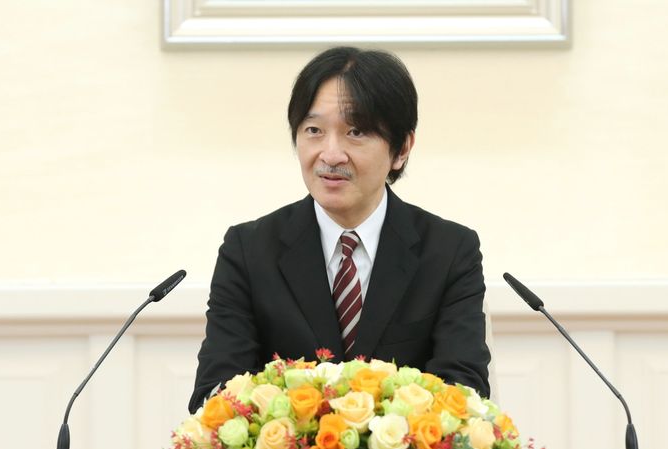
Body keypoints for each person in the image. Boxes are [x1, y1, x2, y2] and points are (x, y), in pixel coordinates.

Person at [189, 47, 490, 413]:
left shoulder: (449, 251)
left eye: (356, 131)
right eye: (314, 130)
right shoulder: (248, 250)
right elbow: (217, 391)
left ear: (402, 148)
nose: (331, 155)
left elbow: (463, 393)